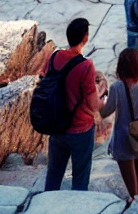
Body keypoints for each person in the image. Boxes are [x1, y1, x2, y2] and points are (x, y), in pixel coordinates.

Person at [44, 17, 104, 192]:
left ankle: (46, 207)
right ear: (85, 38)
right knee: (80, 178)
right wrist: (103, 97)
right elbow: (93, 103)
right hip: (80, 129)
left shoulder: (54, 58)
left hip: (57, 126)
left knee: (54, 174)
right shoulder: (86, 66)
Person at [99, 47, 138, 199]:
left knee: (133, 192)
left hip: (124, 141)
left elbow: (105, 112)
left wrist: (100, 98)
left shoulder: (117, 87)